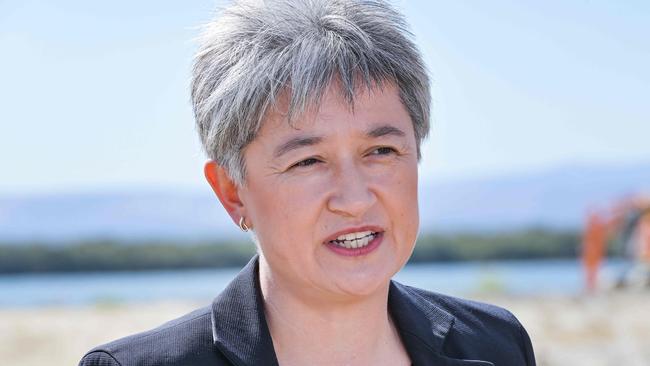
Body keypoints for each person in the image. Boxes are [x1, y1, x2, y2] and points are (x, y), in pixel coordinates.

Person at [79, 0, 536, 365]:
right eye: (308, 161)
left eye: (381, 152)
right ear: (232, 192)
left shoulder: (496, 344)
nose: (355, 200)